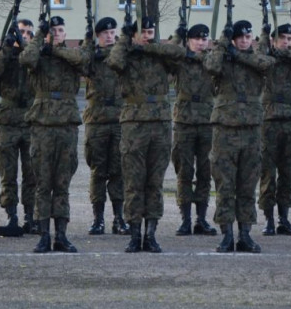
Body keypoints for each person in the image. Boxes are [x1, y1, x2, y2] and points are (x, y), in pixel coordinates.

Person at [108, 15, 185, 253]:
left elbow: (179, 55)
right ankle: (134, 234)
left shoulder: (161, 55)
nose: (147, 37)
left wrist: (165, 42)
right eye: (143, 33)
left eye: (151, 33)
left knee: (154, 182)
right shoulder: (127, 54)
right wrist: (124, 38)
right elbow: (114, 62)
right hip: (134, 124)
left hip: (160, 124)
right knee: (133, 182)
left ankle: (150, 234)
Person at [20, 15, 89, 253]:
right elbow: (26, 58)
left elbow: (84, 61)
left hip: (66, 126)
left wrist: (57, 50)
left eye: (60, 30)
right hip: (42, 126)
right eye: (53, 31)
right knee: (42, 183)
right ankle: (43, 235)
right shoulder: (38, 55)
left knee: (62, 184)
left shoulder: (70, 56)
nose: (57, 34)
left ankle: (61, 234)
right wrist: (39, 37)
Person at [204, 20, 273, 253]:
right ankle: (227, 234)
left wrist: (238, 54)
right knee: (225, 184)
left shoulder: (256, 58)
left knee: (247, 184)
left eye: (248, 36)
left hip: (251, 130)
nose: (244, 40)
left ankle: (245, 234)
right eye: (239, 38)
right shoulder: (222, 58)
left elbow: (267, 63)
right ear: (233, 39)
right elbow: (211, 65)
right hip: (225, 130)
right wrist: (223, 43)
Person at [0, 18, 39, 237]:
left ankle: (30, 216)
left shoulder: (35, 54)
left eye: (28, 33)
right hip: (8, 121)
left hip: (30, 121)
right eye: (21, 32)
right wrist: (8, 48)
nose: (24, 35)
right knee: (8, 174)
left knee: (32, 174)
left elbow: (35, 65)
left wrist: (25, 47)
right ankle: (11, 215)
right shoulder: (5, 54)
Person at [80, 17, 127, 237]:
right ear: (98, 35)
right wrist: (88, 42)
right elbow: (80, 63)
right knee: (98, 171)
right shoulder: (91, 55)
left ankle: (119, 218)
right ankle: (98, 219)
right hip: (97, 119)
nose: (109, 36)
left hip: (119, 118)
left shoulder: (121, 52)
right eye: (104, 33)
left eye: (112, 32)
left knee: (118, 170)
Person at [171, 23, 217, 236]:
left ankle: (201, 218)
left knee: (205, 172)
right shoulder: (179, 58)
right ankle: (185, 218)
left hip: (207, 121)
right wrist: (175, 38)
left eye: (204, 39)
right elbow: (168, 57)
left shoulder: (211, 59)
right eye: (196, 39)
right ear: (189, 40)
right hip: (184, 122)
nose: (200, 42)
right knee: (184, 172)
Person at [258, 23, 291, 237]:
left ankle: (284, 218)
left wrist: (287, 53)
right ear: (274, 41)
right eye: (282, 38)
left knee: (287, 173)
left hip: (290, 120)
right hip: (268, 120)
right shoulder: (267, 58)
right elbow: (258, 58)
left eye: (289, 38)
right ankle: (268, 219)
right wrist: (264, 38)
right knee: (268, 173)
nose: (286, 41)